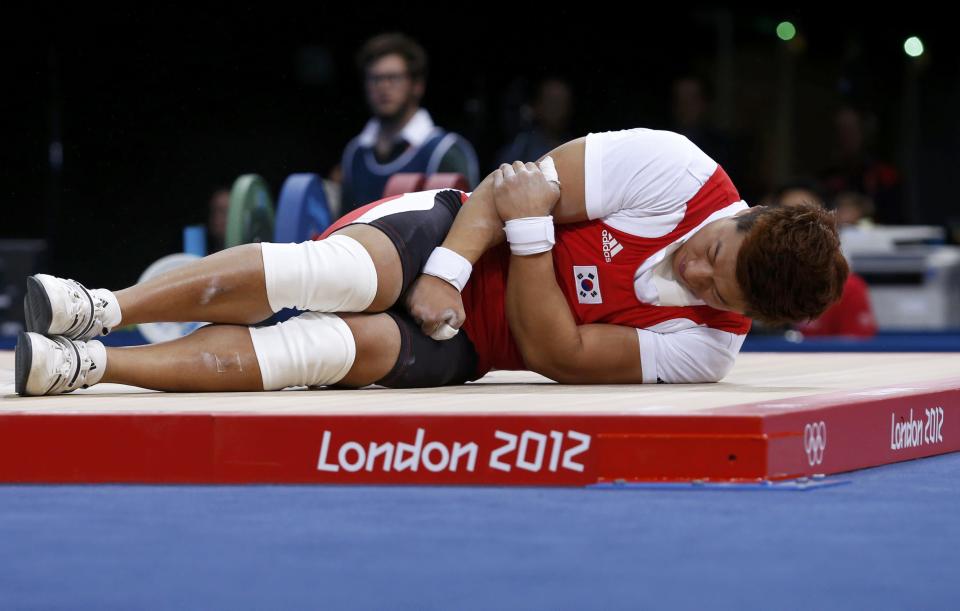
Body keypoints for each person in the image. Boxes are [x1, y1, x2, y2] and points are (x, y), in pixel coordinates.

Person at [15, 128, 847, 396]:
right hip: (450, 236)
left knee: (335, 350)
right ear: (747, 215)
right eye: (712, 257)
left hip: (475, 343)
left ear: (752, 318)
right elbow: (496, 194)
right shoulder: (677, 170)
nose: (698, 279)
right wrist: (449, 270)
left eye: (719, 293)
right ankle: (104, 306)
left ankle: (92, 367)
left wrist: (532, 236)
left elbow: (557, 353)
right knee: (343, 275)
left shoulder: (710, 347)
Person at [340, 33, 479, 213]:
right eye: (375, 79)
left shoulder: (445, 151)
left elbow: (467, 223)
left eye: (393, 77)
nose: (383, 86)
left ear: (417, 85)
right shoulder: (355, 153)